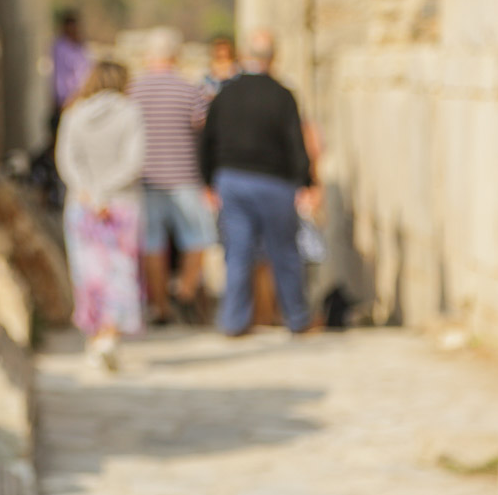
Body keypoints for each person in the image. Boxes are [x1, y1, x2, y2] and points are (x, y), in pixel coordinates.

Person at [199, 30, 313, 336]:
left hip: (232, 180)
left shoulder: (226, 93)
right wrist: (306, 182)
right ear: (273, 58)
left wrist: (207, 180)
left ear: (246, 56)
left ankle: (234, 321)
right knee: (284, 253)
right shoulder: (283, 94)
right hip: (275, 183)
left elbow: (207, 139)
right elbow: (295, 142)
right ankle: (297, 319)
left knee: (237, 253)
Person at [56, 60, 147, 370]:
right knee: (119, 273)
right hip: (120, 204)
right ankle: (109, 335)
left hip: (82, 204)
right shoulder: (130, 112)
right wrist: (106, 193)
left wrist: (90, 191)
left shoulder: (74, 114)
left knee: (88, 273)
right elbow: (133, 161)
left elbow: (67, 160)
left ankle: (96, 337)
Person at [127, 27, 213, 325]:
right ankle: (185, 293)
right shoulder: (189, 89)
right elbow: (203, 128)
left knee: (152, 244)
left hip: (146, 178)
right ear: (175, 55)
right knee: (198, 238)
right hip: (184, 176)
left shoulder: (133, 90)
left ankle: (160, 306)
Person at [52, 10, 92, 112]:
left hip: (83, 98)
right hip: (67, 100)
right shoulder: (60, 48)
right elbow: (60, 77)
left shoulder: (81, 46)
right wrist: (64, 100)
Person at [201, 34, 239, 100]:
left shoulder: (236, 68)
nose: (221, 53)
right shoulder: (208, 69)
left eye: (224, 49)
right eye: (219, 50)